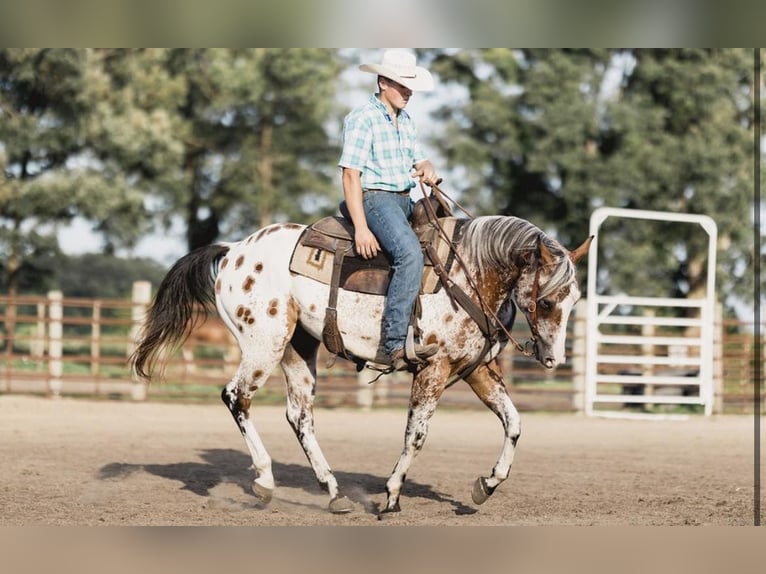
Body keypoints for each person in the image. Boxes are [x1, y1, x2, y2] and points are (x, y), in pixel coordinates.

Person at [338, 49, 440, 369]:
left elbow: (418, 158)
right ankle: (393, 343)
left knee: (446, 234)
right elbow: (350, 174)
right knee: (409, 252)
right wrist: (362, 227)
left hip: (404, 198)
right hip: (375, 199)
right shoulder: (362, 118)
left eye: (410, 86)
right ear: (383, 82)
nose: (409, 92)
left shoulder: (406, 120)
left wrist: (427, 167)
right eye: (402, 84)